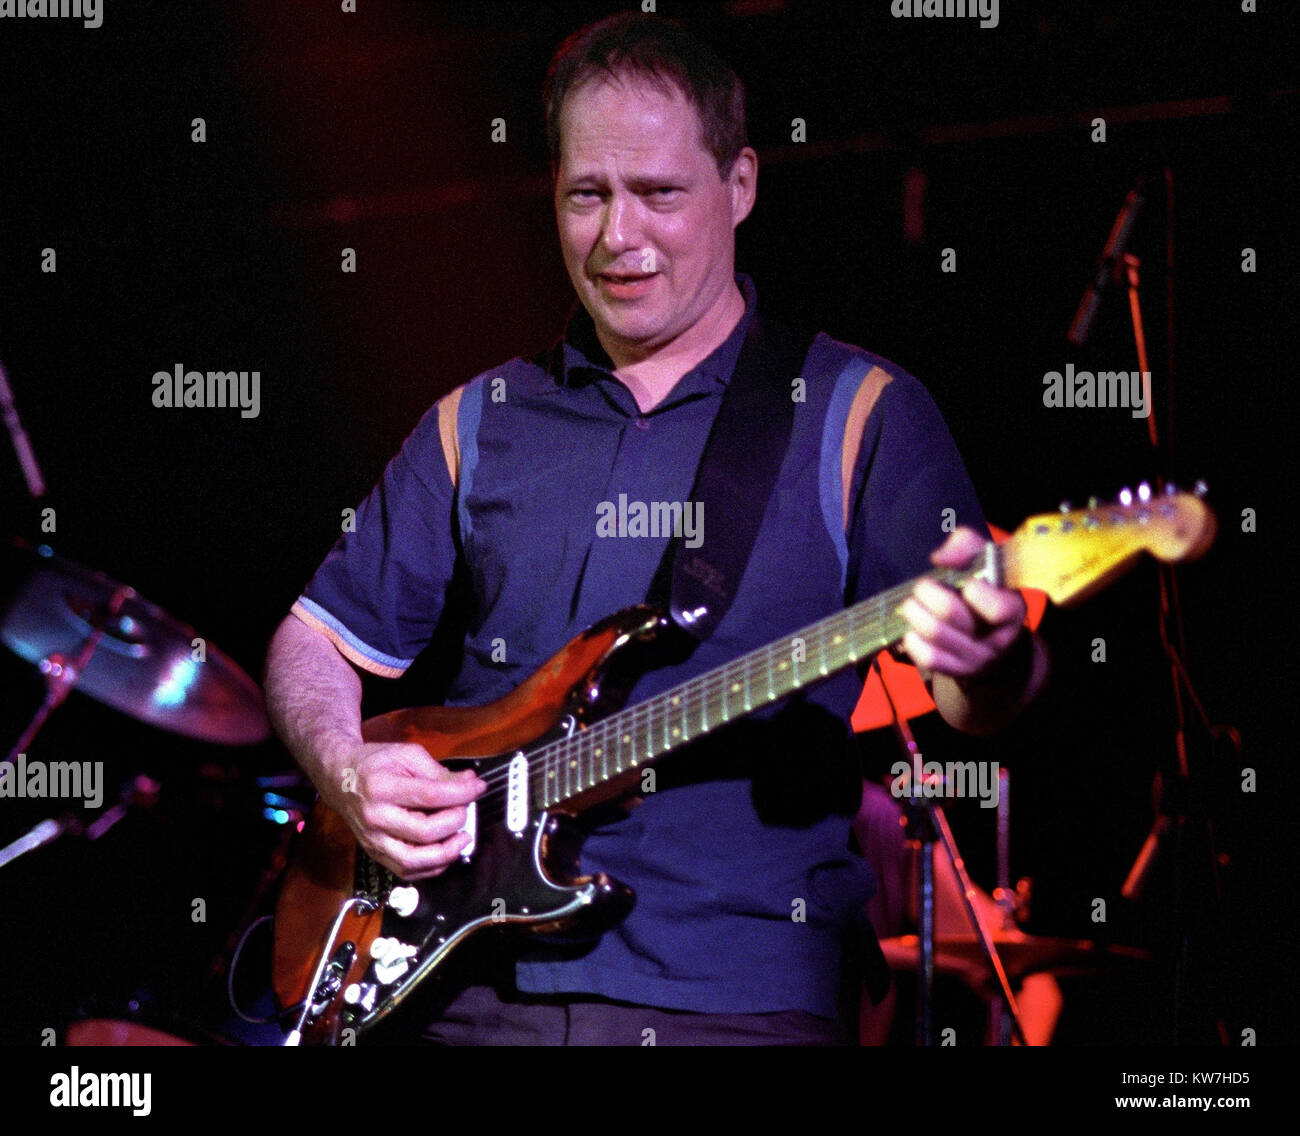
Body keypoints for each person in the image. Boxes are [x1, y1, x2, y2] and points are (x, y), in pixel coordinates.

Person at [263, 12, 1048, 1046]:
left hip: (735, 991)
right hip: (460, 993)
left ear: (742, 185)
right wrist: (348, 768)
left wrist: (991, 654)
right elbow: (310, 638)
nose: (616, 235)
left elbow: (986, 697)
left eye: (659, 193)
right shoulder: (476, 420)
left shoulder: (861, 412)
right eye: (586, 193)